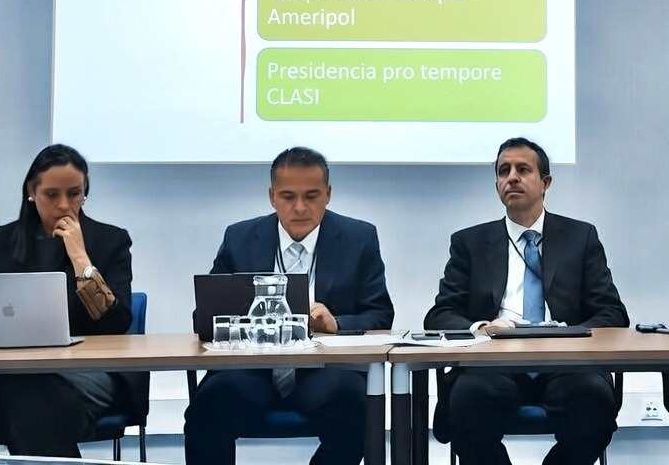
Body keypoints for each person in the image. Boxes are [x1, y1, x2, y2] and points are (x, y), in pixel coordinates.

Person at [183, 146, 394, 465]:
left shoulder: (359, 237)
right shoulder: (240, 237)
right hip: (250, 371)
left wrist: (336, 324)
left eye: (311, 196)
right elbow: (205, 318)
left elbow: (380, 315)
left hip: (325, 371)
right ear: (272, 197)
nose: (300, 207)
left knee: (355, 404)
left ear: (328, 194)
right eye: (287, 196)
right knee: (208, 404)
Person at [425, 137, 629, 465]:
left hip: (566, 364)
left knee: (593, 402)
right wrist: (481, 328)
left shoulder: (580, 237)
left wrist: (571, 334)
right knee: (468, 401)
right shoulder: (470, 242)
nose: (512, 178)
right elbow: (441, 314)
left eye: (523, 169)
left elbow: (612, 313)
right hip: (492, 365)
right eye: (503, 171)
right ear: (496, 184)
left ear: (545, 183)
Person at [0, 143, 137, 458]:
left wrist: (80, 256)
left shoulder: (111, 240)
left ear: (85, 192)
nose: (64, 205)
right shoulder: (2, 241)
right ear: (31, 192)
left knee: (26, 396)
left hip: (87, 371)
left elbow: (116, 323)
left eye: (74, 194)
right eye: (52, 195)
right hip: (14, 371)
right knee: (20, 393)